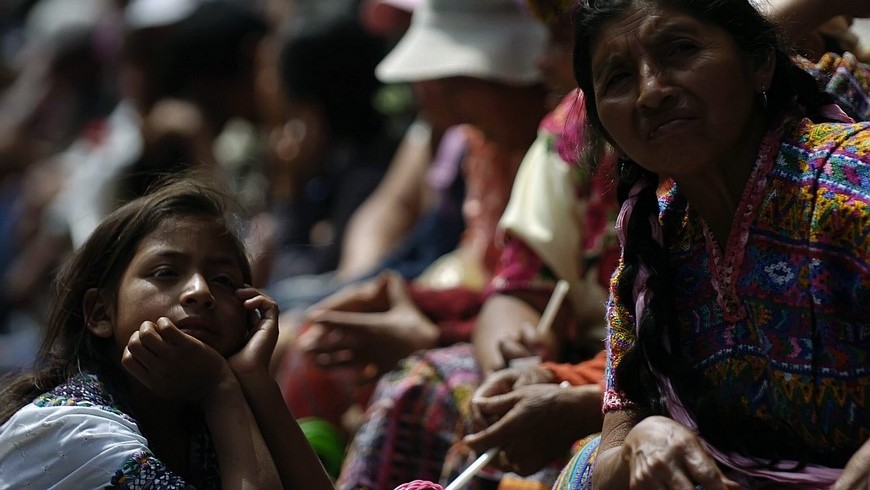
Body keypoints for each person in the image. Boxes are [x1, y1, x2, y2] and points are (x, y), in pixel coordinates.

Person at [554, 0, 870, 488]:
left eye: (681, 50)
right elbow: (615, 447)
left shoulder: (851, 178)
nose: (651, 92)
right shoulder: (650, 258)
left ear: (760, 62)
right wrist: (640, 442)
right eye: (618, 78)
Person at [0, 173, 333, 489]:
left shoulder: (199, 418)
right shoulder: (75, 432)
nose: (201, 291)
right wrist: (220, 389)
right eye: (165, 272)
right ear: (101, 313)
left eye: (223, 280)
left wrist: (257, 382)